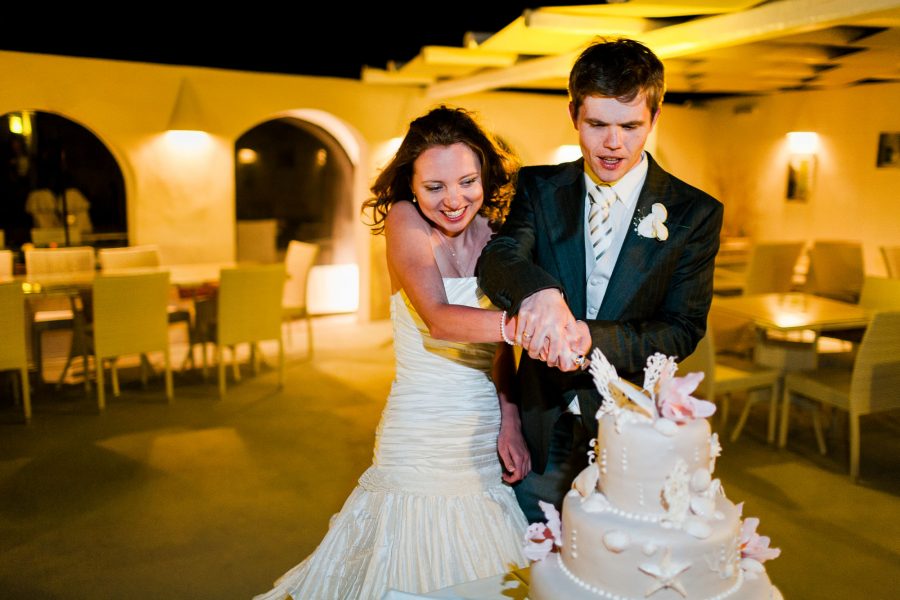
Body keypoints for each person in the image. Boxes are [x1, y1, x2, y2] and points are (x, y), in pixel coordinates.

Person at [254, 106, 533, 600]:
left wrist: (510, 416)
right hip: (420, 431)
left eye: (468, 182)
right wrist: (530, 327)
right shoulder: (406, 222)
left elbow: (494, 349)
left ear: (486, 175)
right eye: (435, 187)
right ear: (411, 185)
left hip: (481, 426)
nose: (454, 200)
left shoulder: (495, 231)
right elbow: (440, 319)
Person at [476, 38, 724, 523]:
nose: (613, 143)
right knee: (530, 554)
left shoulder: (695, 213)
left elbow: (682, 328)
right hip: (541, 421)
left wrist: (591, 338)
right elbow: (499, 258)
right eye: (597, 124)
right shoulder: (538, 187)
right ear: (573, 113)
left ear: (655, 116)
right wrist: (539, 293)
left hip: (630, 429)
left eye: (630, 126)